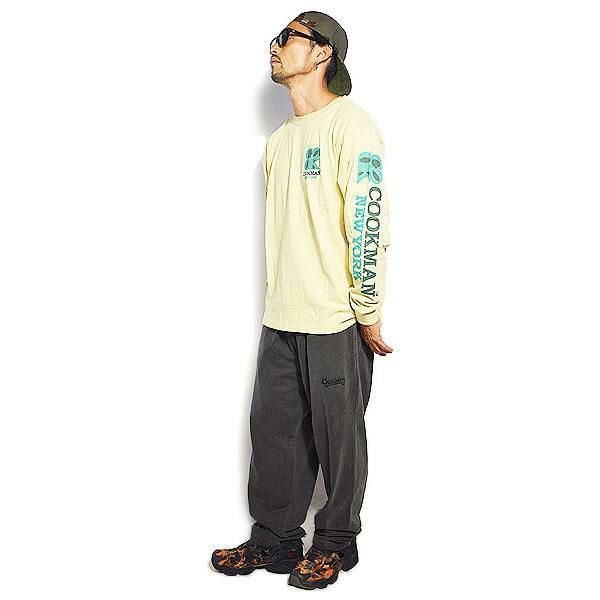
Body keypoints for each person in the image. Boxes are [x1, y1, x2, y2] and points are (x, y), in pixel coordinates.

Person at [210, 11, 393, 590]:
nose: (276, 46)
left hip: (335, 319)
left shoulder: (352, 126)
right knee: (273, 436)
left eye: (288, 37)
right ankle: (276, 539)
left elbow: (367, 222)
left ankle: (336, 543)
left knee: (340, 442)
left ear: (321, 53)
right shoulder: (280, 142)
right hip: (281, 318)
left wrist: (367, 310)